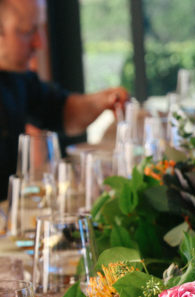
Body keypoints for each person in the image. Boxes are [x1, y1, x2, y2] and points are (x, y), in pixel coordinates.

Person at [0, 0, 128, 199]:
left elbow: (61, 112)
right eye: (27, 31)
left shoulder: (16, 77)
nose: (39, 43)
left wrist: (102, 101)